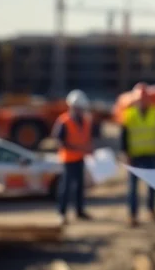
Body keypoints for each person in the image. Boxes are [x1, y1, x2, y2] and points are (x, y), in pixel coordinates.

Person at [120, 82, 155, 227]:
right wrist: (125, 153)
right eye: (140, 98)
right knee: (133, 187)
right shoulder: (129, 114)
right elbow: (124, 135)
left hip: (151, 153)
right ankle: (132, 215)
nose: (142, 100)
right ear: (135, 99)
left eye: (145, 98)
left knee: (153, 186)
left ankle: (151, 210)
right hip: (134, 155)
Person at [52, 89, 93, 224]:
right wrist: (78, 148)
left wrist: (88, 149)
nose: (80, 110)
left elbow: (86, 138)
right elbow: (59, 141)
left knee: (80, 186)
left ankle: (79, 211)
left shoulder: (85, 121)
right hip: (68, 159)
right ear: (72, 107)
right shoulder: (64, 121)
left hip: (80, 158)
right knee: (66, 187)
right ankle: (61, 213)